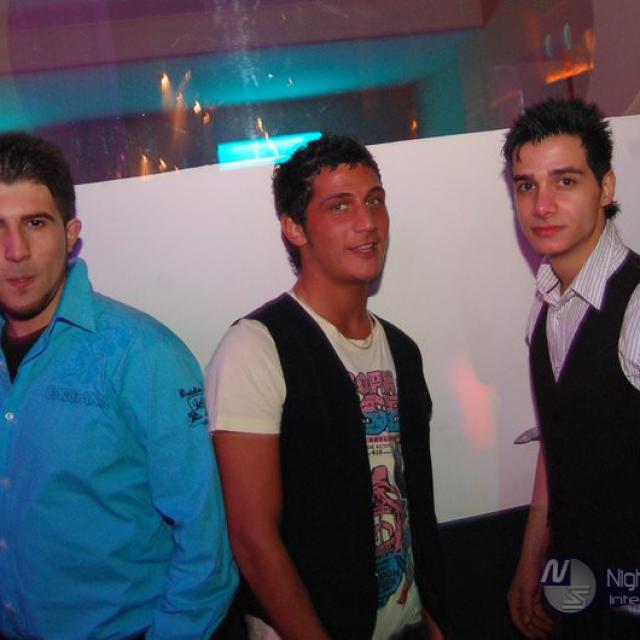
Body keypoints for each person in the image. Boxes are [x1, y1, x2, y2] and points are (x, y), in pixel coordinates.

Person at [206, 134, 447, 640]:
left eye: (374, 201)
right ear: (295, 227)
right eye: (340, 206)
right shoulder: (257, 347)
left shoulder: (402, 350)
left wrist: (433, 615)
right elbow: (251, 538)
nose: (367, 222)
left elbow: (412, 505)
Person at [0, 132, 238, 639]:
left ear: (71, 234)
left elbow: (206, 553)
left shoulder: (144, 355)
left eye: (35, 223)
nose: (15, 251)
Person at [504, 98, 640, 638]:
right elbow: (561, 436)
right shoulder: (544, 305)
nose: (542, 206)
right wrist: (530, 557)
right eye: (526, 185)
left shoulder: (635, 306)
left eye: (565, 181)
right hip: (579, 587)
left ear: (605, 188)